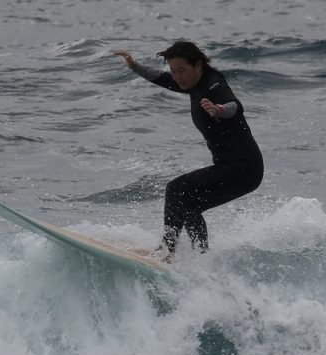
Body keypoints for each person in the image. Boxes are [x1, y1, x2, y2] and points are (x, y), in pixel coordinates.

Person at [113, 41, 264, 262]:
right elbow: (164, 79)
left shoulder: (213, 84)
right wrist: (135, 66)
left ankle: (166, 252)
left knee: (176, 189)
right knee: (188, 205)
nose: (177, 77)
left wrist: (219, 109)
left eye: (182, 70)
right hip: (234, 167)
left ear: (198, 65)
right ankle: (201, 260)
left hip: (244, 168)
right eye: (174, 71)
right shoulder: (193, 84)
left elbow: (235, 106)